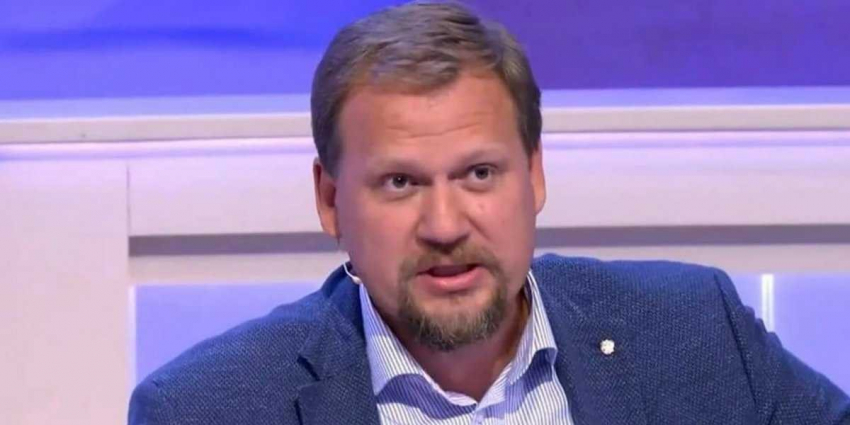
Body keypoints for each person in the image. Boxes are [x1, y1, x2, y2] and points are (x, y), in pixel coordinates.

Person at [128, 2, 850, 424]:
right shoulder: (208, 408)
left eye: (479, 174)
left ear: (534, 174)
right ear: (330, 200)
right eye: (400, 183)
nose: (445, 226)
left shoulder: (694, 331)